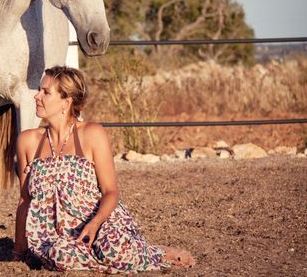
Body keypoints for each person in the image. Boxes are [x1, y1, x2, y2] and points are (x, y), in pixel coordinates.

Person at [12, 66, 195, 273]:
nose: (37, 96)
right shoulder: (28, 140)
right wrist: (19, 250)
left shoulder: (92, 134)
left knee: (115, 251)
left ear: (66, 101)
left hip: (99, 220)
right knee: (60, 255)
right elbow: (25, 199)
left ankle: (154, 252)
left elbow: (110, 191)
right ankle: (94, 256)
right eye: (39, 90)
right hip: (56, 235)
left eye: (46, 92)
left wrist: (95, 223)